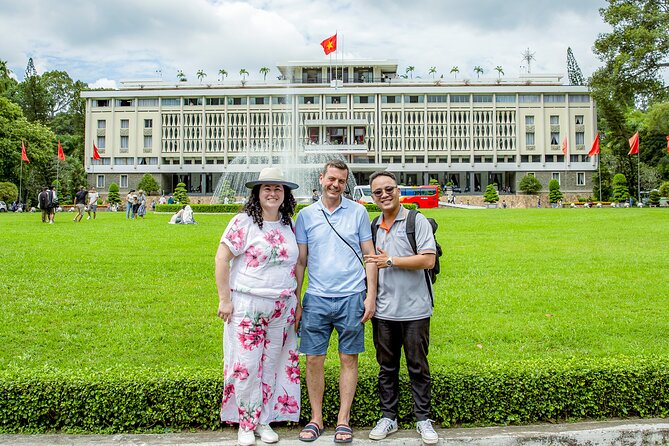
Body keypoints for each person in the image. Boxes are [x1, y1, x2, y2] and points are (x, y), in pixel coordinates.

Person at [215, 167, 301, 446]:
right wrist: (224, 299)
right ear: (257, 193)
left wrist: (296, 299)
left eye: (278, 189)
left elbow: (297, 265)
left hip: (281, 306)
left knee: (271, 365)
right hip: (248, 304)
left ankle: (263, 420)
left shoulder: (288, 224)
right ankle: (245, 423)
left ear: (285, 194)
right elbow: (221, 259)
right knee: (246, 365)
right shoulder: (243, 222)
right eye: (267, 188)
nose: (273, 193)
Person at [294, 160, 377, 443]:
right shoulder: (305, 216)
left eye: (341, 181)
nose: (335, 185)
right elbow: (301, 261)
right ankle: (316, 418)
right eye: (331, 179)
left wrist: (371, 296)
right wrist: (297, 300)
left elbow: (370, 256)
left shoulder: (358, 213)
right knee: (314, 360)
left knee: (348, 359)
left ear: (346, 183)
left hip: (352, 297)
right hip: (316, 297)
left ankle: (344, 419)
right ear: (321, 179)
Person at [363, 171, 439, 444]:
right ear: (373, 197)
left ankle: (423, 418)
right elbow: (371, 262)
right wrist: (370, 298)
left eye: (389, 189)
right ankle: (388, 416)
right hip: (383, 311)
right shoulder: (373, 226)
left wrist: (392, 260)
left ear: (398, 191)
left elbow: (428, 260)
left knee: (418, 366)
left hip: (415, 309)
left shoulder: (416, 221)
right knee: (387, 367)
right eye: (378, 192)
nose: (384, 195)